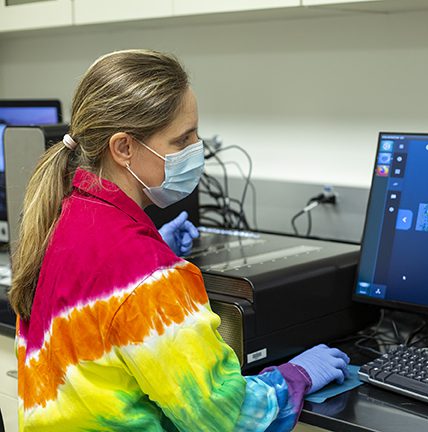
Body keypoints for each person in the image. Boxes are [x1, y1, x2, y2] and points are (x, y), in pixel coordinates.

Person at [9, 49, 350, 431]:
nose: (196, 149)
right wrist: (297, 375)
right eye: (182, 139)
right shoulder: (147, 274)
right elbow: (226, 418)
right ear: (123, 148)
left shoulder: (63, 217)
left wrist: (152, 250)